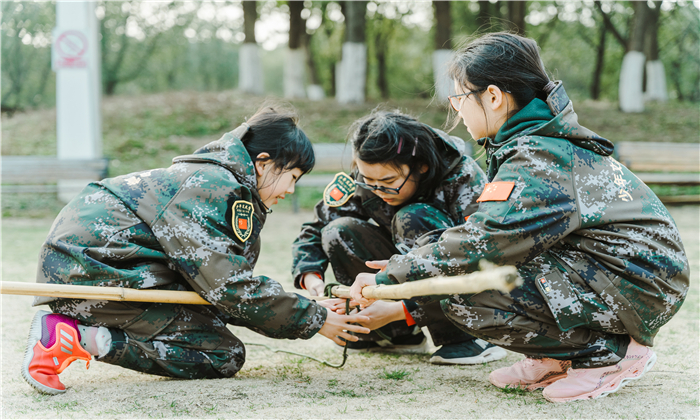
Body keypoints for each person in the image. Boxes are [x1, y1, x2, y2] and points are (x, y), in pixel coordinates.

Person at [349, 32, 689, 403]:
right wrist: (412, 261)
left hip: (635, 283)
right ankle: (556, 356)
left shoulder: (539, 155)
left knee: (463, 295)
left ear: (493, 97)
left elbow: (488, 239)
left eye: (459, 98)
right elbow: (489, 229)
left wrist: (393, 273)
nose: (456, 110)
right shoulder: (531, 142)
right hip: (620, 275)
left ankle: (606, 355)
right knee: (465, 275)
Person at [22, 106, 370, 395]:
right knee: (222, 355)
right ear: (263, 163)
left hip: (101, 266)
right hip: (94, 271)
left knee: (221, 349)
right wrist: (315, 319)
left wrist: (308, 307)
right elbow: (228, 288)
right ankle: (74, 336)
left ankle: (75, 334)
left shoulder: (214, 180)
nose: (292, 190)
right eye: (292, 176)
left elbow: (218, 288)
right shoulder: (212, 186)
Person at [291, 110, 507, 365]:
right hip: (403, 274)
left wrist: (401, 310)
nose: (378, 189)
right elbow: (318, 226)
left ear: (421, 166)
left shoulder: (463, 177)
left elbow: (479, 253)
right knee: (338, 230)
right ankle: (394, 335)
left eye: (388, 181)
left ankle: (467, 337)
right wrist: (310, 277)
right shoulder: (369, 177)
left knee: (412, 217)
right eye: (369, 180)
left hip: (467, 282)